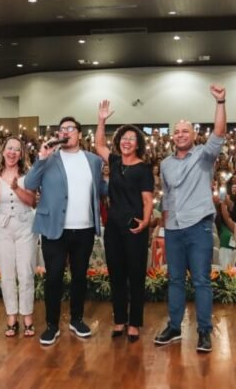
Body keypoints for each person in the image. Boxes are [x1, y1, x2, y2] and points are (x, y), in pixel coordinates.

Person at [154, 84, 226, 354]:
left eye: (185, 131)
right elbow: (167, 198)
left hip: (199, 226)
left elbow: (219, 133)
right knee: (174, 280)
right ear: (172, 137)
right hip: (173, 228)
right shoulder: (165, 164)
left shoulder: (204, 156)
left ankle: (204, 331)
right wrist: (164, 227)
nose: (180, 135)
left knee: (201, 281)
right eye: (177, 132)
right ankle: (174, 327)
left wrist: (220, 102)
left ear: (194, 135)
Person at [24, 116, 106, 346]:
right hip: (54, 229)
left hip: (84, 229)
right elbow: (29, 184)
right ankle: (52, 325)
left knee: (79, 276)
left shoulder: (93, 161)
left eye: (70, 128)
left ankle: (76, 320)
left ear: (79, 133)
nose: (66, 132)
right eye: (62, 129)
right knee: (54, 277)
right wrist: (41, 158)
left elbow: (101, 188)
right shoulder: (49, 159)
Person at [94, 100, 154, 342]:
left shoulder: (144, 169)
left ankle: (134, 323)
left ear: (138, 144)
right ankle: (120, 320)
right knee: (116, 274)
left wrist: (146, 222)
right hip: (113, 228)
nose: (127, 141)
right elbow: (99, 145)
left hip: (135, 227)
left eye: (132, 139)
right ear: (119, 141)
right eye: (123, 138)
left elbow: (148, 200)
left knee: (136, 275)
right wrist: (101, 120)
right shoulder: (115, 162)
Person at [0, 137, 38, 338]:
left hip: (25, 226)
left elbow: (32, 201)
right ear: (3, 151)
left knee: (26, 272)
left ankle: (28, 317)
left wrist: (16, 188)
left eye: (16, 149)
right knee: (7, 273)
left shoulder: (28, 174)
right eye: (9, 148)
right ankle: (11, 317)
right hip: (3, 227)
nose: (12, 152)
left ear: (21, 154)